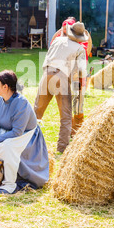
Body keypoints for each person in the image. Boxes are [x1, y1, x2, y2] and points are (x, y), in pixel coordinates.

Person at [0, 70, 50, 194]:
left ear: (5, 87)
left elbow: (17, 131)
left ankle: (7, 182)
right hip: (4, 131)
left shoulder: (21, 104)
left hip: (25, 134)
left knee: (7, 147)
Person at [34, 21, 88, 153]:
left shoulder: (57, 40)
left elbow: (48, 56)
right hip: (61, 77)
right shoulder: (80, 49)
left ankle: (26, 140)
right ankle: (62, 147)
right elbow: (80, 72)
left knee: (36, 112)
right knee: (66, 116)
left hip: (46, 73)